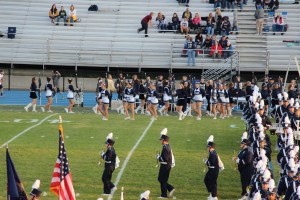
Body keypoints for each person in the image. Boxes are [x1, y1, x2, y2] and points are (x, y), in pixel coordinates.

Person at [235, 134, 254, 199]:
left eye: (242, 144)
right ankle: (245, 195)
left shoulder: (248, 151)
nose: (240, 144)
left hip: (248, 170)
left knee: (246, 183)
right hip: (243, 170)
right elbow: (240, 157)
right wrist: (236, 159)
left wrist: (239, 161)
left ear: (245, 145)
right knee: (244, 183)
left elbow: (247, 161)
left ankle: (246, 196)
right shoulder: (243, 150)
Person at [157, 130, 175, 198]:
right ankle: (170, 188)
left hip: (165, 166)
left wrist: (158, 157)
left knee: (162, 180)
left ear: (164, 140)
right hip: (165, 166)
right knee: (161, 179)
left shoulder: (166, 148)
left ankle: (164, 194)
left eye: (161, 140)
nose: (160, 141)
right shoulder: (166, 146)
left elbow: (165, 159)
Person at [204, 135, 219, 200]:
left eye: (208, 147)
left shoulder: (212, 153)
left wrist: (206, 162)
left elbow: (211, 163)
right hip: (212, 169)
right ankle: (212, 193)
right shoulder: (212, 152)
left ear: (210, 147)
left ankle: (214, 196)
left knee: (212, 182)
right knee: (207, 180)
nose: (207, 148)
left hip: (213, 170)